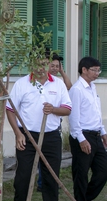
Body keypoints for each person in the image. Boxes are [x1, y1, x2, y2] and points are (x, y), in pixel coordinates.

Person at [7, 56, 72, 201]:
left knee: (52, 179)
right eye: (37, 63)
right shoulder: (22, 84)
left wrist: (54, 109)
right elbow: (10, 109)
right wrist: (18, 134)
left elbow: (67, 109)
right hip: (27, 136)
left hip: (51, 137)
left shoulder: (58, 85)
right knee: (23, 178)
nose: (41, 67)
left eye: (44, 64)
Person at [68, 57, 107, 201]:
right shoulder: (77, 90)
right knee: (81, 174)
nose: (97, 73)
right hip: (82, 135)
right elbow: (73, 117)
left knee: (103, 171)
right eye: (94, 70)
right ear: (84, 70)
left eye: (98, 70)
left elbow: (96, 112)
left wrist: (103, 131)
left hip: (96, 134)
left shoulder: (93, 87)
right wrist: (81, 139)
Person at [37, 53, 73, 192]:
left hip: (53, 125)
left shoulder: (57, 82)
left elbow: (69, 86)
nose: (55, 68)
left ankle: (48, 182)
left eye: (57, 66)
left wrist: (62, 72)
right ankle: (41, 182)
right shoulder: (39, 81)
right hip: (38, 126)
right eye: (52, 65)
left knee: (50, 157)